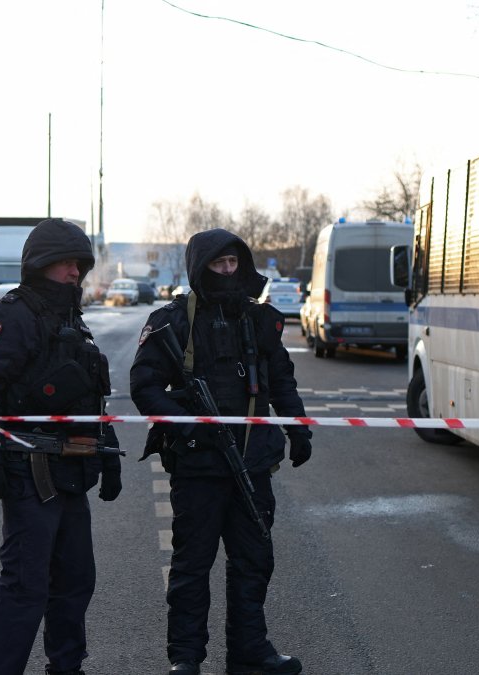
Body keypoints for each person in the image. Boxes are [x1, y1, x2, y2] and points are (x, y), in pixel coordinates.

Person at [130, 229, 313, 675]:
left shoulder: (260, 320)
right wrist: (188, 423)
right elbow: (144, 386)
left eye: (234, 262)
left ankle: (250, 650)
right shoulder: (172, 321)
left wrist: (298, 429)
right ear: (200, 267)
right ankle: (186, 657)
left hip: (252, 463)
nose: (229, 271)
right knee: (192, 565)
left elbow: (282, 380)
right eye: (219, 264)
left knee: (253, 561)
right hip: (198, 465)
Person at [0, 218, 122, 675]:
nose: (75, 272)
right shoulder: (16, 315)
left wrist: (109, 453)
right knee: (26, 587)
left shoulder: (70, 318)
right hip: (30, 473)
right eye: (66, 263)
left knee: (75, 581)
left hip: (72, 472)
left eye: (80, 264)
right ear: (41, 264)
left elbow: (90, 395)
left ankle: (66, 668)